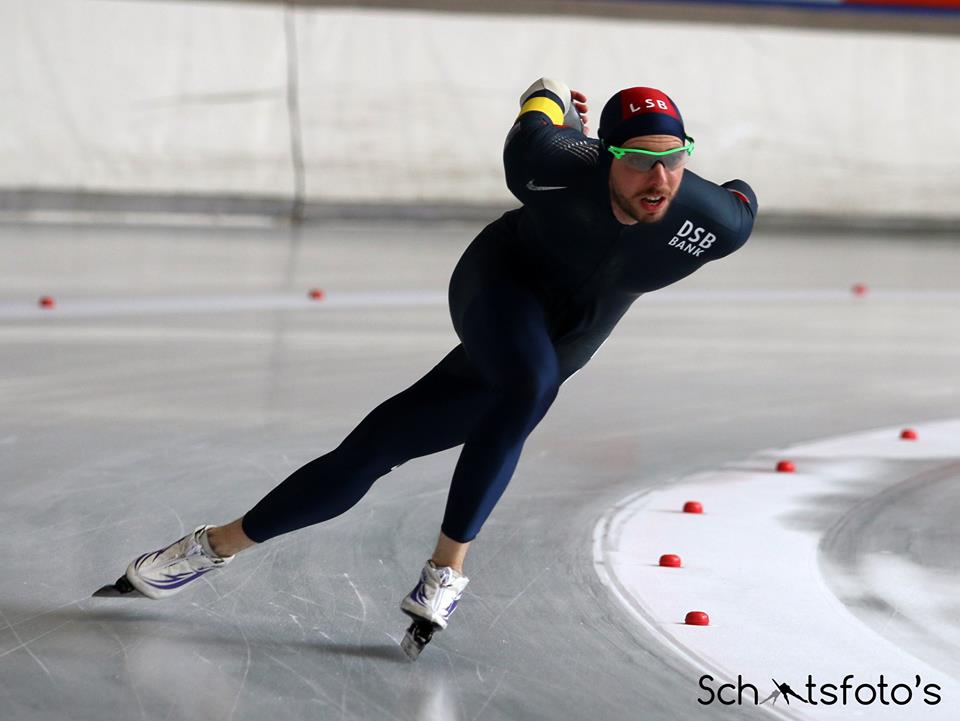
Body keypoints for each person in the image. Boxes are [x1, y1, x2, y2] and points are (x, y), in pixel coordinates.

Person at [98, 77, 757, 645]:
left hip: (579, 325)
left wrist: (683, 170)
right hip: (504, 282)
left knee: (375, 448)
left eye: (673, 158)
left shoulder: (713, 223)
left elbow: (742, 196)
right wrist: (566, 119)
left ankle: (210, 546)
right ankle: (447, 568)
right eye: (641, 159)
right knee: (531, 383)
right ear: (605, 156)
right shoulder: (546, 160)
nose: (660, 178)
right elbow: (542, 96)